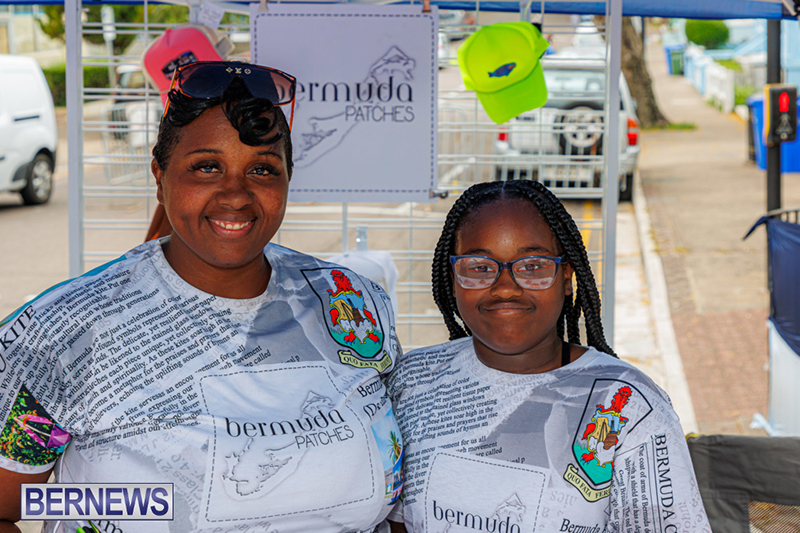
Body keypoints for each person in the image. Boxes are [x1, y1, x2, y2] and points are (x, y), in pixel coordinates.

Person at [0, 61, 403, 532]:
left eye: (262, 169)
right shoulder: (57, 335)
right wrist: (112, 504)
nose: (236, 194)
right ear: (160, 176)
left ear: (287, 180)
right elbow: (11, 506)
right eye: (207, 167)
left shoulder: (349, 301)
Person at [387, 180, 710, 532]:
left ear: (567, 277)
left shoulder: (629, 405)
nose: (505, 288)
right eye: (479, 267)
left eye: (533, 266)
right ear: (453, 279)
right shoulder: (413, 378)